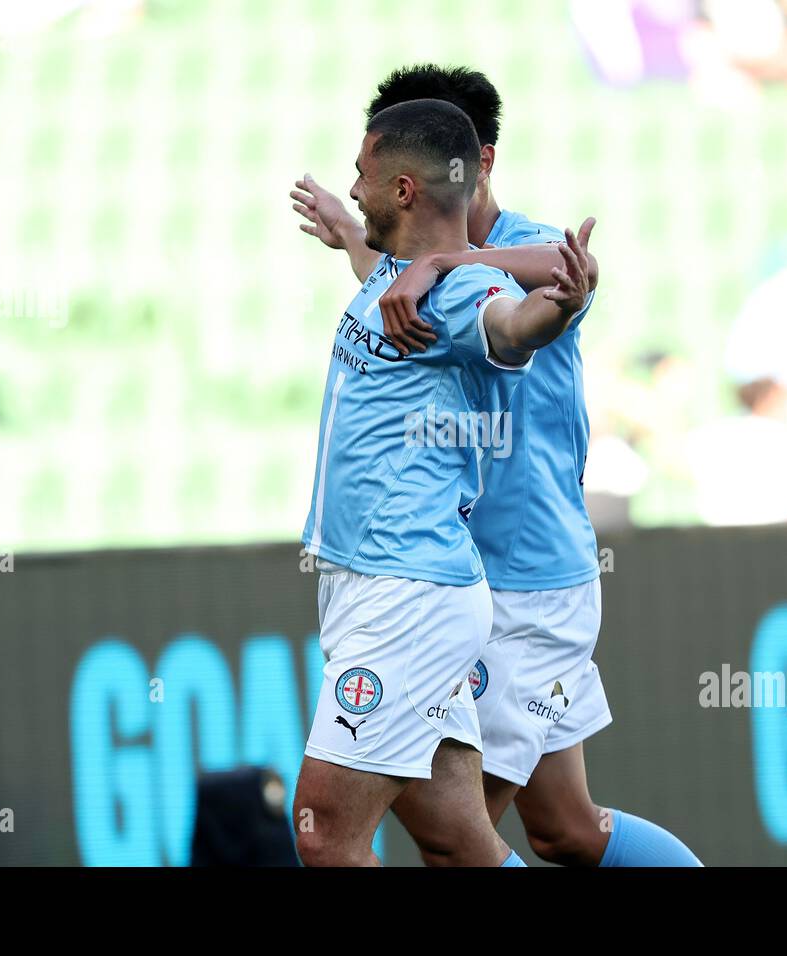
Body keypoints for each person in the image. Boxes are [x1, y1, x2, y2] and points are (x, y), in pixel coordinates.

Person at [294, 64, 700, 866]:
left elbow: (528, 302)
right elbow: (404, 311)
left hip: (524, 584)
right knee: (562, 831)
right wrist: (357, 234)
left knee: (388, 832)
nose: (363, 184)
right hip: (470, 572)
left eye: (373, 175)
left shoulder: (485, 266)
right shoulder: (407, 265)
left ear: (458, 167)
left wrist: (439, 264)